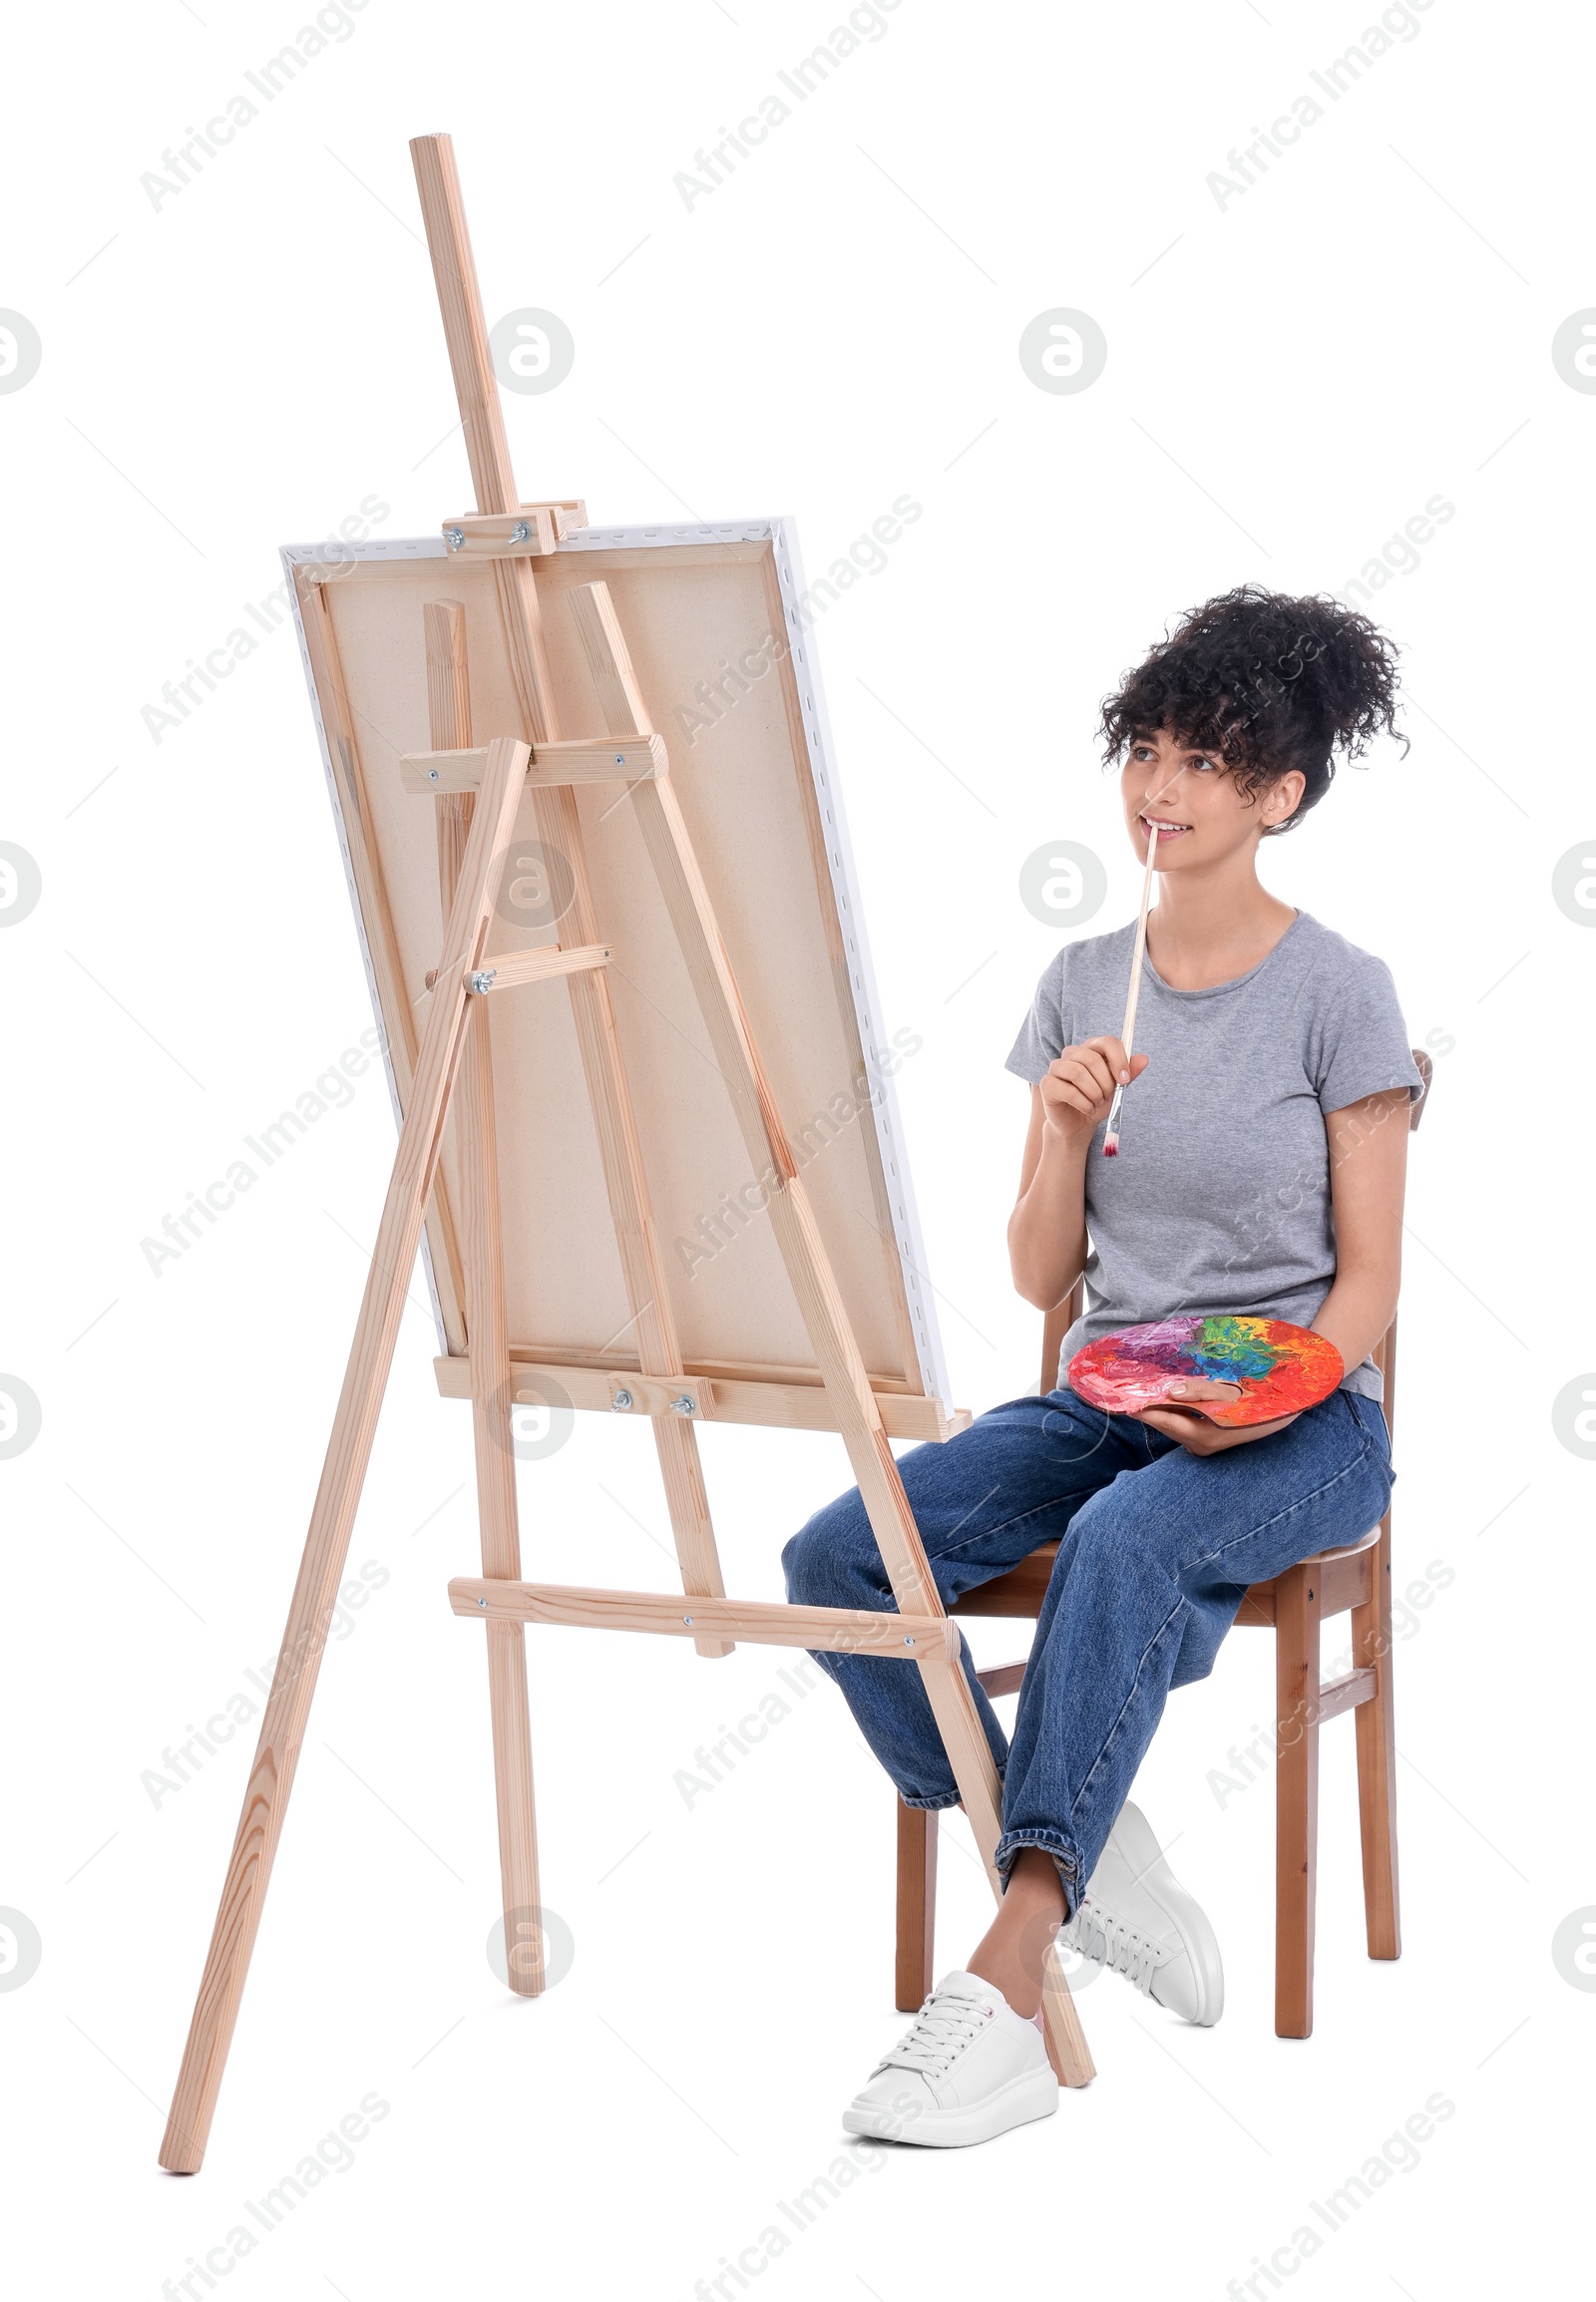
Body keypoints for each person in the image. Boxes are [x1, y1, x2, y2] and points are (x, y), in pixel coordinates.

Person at [782, 585, 1424, 2147]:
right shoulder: (1083, 983)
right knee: (841, 1551)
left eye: (1207, 760)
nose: (1162, 786)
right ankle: (1073, 1840)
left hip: (1307, 1415)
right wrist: (1063, 1131)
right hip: (1110, 1392)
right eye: (1147, 748)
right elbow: (1037, 1278)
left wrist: (1253, 1405)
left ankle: (1004, 1984)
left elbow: (1373, 1293)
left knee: (1133, 1542)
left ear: (1279, 795)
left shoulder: (1343, 993)